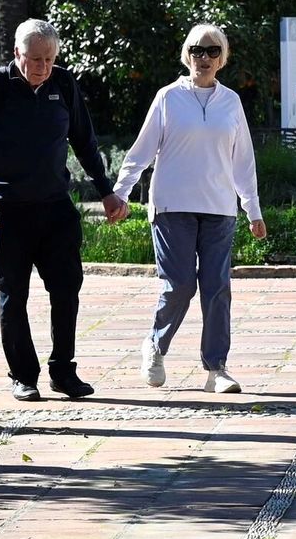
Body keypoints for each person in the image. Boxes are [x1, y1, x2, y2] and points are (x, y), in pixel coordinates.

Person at [0, 18, 129, 402]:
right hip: (8, 212)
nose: (43, 67)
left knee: (66, 290)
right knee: (12, 295)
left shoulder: (64, 84)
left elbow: (85, 142)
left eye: (49, 59)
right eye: (35, 59)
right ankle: (23, 375)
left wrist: (106, 191)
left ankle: (63, 371)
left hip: (55, 208)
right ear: (17, 53)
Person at [112, 23, 266, 394]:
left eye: (213, 51)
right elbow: (142, 150)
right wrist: (120, 193)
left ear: (222, 58)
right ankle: (155, 345)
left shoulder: (231, 102)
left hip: (219, 208)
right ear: (187, 54)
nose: (205, 57)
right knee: (179, 284)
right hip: (172, 206)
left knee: (216, 287)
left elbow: (242, 159)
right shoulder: (167, 98)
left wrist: (253, 209)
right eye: (198, 50)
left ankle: (217, 368)